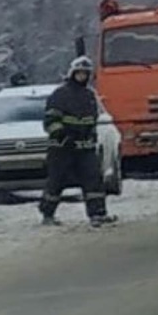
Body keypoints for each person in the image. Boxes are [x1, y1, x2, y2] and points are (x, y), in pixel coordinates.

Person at [40, 56, 117, 228]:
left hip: (85, 147)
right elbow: (51, 119)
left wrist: (90, 136)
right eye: (79, 73)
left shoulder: (89, 95)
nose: (82, 76)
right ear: (72, 73)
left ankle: (97, 214)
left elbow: (92, 119)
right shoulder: (60, 94)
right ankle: (48, 214)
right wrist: (61, 135)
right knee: (56, 182)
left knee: (93, 180)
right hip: (62, 148)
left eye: (85, 74)